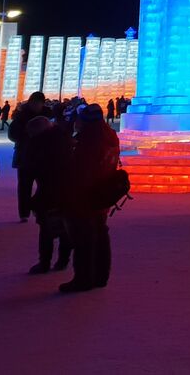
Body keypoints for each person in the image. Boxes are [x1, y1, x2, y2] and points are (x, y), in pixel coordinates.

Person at [60, 104, 120, 293]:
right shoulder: (109, 135)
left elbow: (81, 171)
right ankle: (100, 276)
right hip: (102, 193)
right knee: (100, 235)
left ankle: (83, 278)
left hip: (85, 196)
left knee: (84, 239)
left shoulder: (90, 140)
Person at [24, 116, 73, 273]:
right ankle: (62, 260)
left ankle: (45, 262)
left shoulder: (38, 144)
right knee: (65, 227)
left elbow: (31, 170)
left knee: (46, 229)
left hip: (47, 192)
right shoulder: (65, 139)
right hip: (66, 190)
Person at [8, 91, 47, 223]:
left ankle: (40, 208)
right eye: (34, 103)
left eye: (39, 103)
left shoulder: (47, 114)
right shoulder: (21, 116)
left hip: (43, 157)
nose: (36, 105)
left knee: (45, 185)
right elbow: (12, 134)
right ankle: (24, 212)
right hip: (25, 156)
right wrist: (26, 135)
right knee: (25, 186)